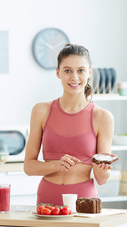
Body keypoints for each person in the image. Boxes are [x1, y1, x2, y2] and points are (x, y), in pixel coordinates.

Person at [24, 43, 117, 206]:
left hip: (84, 201)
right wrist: (56, 165)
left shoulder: (102, 117)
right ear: (58, 73)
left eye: (80, 70)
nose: (74, 77)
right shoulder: (41, 111)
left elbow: (101, 180)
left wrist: (102, 170)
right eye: (67, 71)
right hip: (46, 200)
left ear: (89, 72)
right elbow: (29, 167)